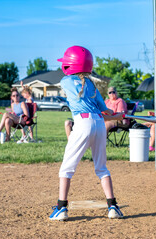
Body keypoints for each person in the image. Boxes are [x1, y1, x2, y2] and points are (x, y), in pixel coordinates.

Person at [49, 46, 123, 221]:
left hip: (82, 123)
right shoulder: (91, 84)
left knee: (66, 169)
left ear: (71, 65)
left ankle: (61, 208)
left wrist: (114, 115)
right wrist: (117, 115)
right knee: (102, 168)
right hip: (98, 124)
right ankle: (113, 207)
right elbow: (104, 112)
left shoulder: (66, 80)